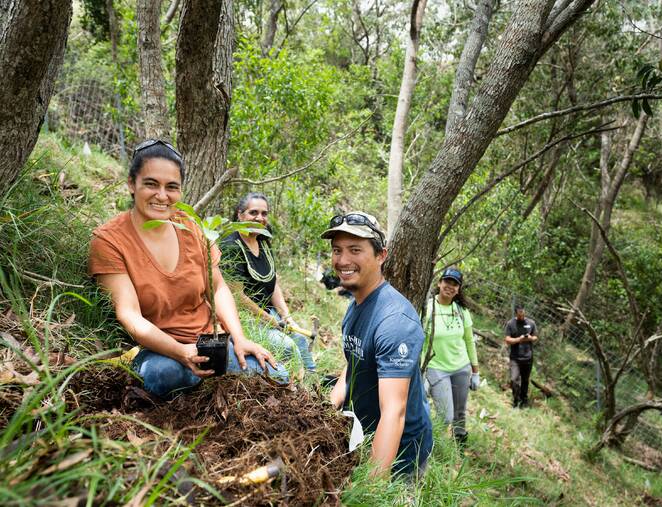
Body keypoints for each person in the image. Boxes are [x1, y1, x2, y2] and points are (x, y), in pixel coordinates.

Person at [88, 139, 287, 398]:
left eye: (171, 187)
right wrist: (181, 352)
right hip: (159, 351)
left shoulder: (191, 227)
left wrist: (239, 338)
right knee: (163, 376)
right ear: (131, 184)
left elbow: (218, 287)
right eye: (151, 184)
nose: (162, 196)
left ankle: (208, 385)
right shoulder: (110, 240)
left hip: (210, 343)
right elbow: (129, 314)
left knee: (277, 377)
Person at [322, 212, 432, 479]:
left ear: (381, 255)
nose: (343, 260)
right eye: (337, 250)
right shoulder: (357, 303)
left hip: (399, 455)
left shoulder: (395, 321)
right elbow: (354, 362)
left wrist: (372, 485)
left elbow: (395, 411)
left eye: (355, 250)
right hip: (363, 433)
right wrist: (326, 410)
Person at [220, 192, 316, 373]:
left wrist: (287, 317)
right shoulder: (230, 246)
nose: (260, 218)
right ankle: (289, 382)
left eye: (264, 213)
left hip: (270, 314)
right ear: (240, 215)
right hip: (246, 319)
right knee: (288, 346)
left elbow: (273, 283)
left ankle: (314, 381)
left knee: (300, 339)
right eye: (253, 212)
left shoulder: (263, 241)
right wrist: (270, 320)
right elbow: (237, 296)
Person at [422, 267, 479, 445]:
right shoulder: (428, 307)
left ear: (458, 289)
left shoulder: (461, 311)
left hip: (461, 368)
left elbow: (469, 341)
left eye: (455, 284)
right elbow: (420, 341)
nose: (450, 286)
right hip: (437, 368)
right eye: (447, 281)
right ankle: (432, 445)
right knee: (445, 416)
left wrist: (475, 372)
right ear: (440, 283)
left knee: (460, 413)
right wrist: (421, 373)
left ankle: (459, 444)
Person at [504, 304, 538, 408]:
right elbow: (507, 340)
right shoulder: (510, 323)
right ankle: (515, 400)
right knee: (514, 380)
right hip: (515, 358)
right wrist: (519, 339)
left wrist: (530, 338)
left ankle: (524, 401)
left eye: (523, 313)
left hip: (528, 357)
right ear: (516, 313)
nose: (522, 316)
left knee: (525, 380)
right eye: (519, 314)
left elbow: (535, 337)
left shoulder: (531, 323)